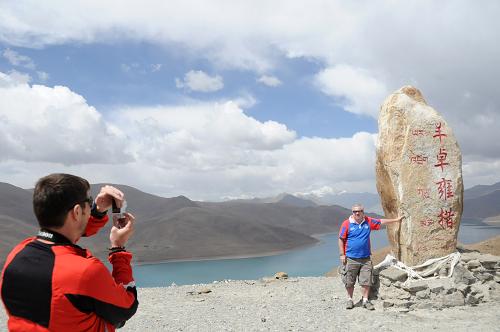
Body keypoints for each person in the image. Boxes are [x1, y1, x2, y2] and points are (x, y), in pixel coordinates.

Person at [0, 173, 138, 331]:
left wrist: (97, 211)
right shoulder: (85, 272)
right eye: (89, 202)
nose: (91, 205)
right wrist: (118, 248)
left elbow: (62, 238)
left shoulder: (16, 255)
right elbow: (127, 306)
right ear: (77, 212)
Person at [338, 203, 403, 310]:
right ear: (352, 212)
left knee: (366, 281)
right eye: (355, 211)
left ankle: (365, 300)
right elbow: (341, 239)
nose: (357, 213)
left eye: (359, 211)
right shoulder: (346, 223)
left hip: (366, 258)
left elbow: (381, 221)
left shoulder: (368, 221)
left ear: (363, 212)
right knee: (349, 281)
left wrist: (396, 220)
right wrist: (342, 254)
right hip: (351, 258)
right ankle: (350, 300)